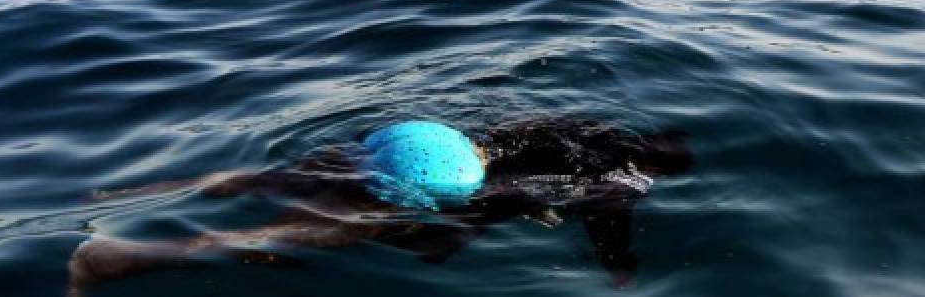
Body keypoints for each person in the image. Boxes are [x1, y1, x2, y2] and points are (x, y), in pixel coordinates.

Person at [67, 116, 691, 295]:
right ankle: (114, 258)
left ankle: (124, 192)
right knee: (320, 232)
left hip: (430, 139)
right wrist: (620, 269)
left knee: (270, 176)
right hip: (446, 180)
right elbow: (610, 227)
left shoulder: (591, 126)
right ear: (659, 167)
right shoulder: (628, 179)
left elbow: (508, 133)